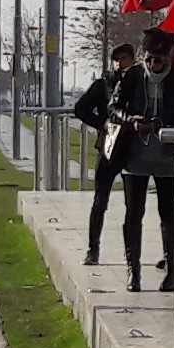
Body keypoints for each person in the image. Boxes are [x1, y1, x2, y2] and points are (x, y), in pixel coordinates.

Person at [109, 29, 174, 291]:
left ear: (169, 58)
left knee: (170, 215)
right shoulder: (132, 75)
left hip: (167, 158)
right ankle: (133, 270)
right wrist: (131, 120)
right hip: (135, 156)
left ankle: (173, 270)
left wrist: (167, 126)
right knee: (133, 213)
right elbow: (114, 107)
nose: (154, 66)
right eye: (150, 59)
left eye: (160, 60)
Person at [72, 48, 133, 265]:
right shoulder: (103, 85)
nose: (119, 64)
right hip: (108, 147)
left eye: (123, 59)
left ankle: (131, 255)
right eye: (116, 60)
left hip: (132, 149)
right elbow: (80, 109)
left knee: (133, 206)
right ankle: (93, 248)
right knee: (100, 201)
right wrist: (102, 124)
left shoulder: (138, 84)